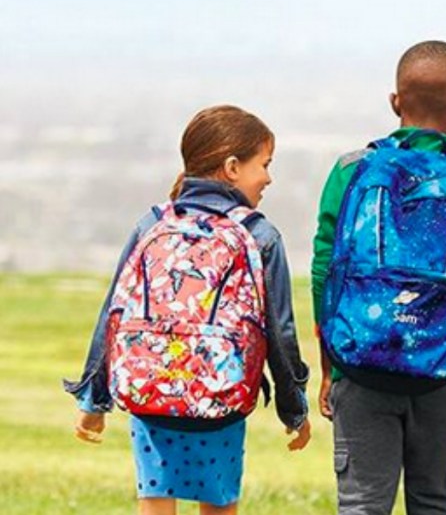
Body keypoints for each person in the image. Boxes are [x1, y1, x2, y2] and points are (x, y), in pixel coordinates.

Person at [65, 104, 311, 515]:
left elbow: (114, 314)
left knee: (156, 505)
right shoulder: (259, 235)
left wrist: (93, 402)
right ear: (232, 167)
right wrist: (293, 409)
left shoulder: (152, 224)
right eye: (264, 164)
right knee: (218, 504)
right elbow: (280, 335)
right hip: (220, 402)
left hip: (150, 398)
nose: (268, 177)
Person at [311, 40, 446, 515]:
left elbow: (323, 274)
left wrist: (331, 368)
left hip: (361, 365)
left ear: (395, 102)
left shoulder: (352, 170)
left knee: (361, 505)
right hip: (444, 374)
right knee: (434, 503)